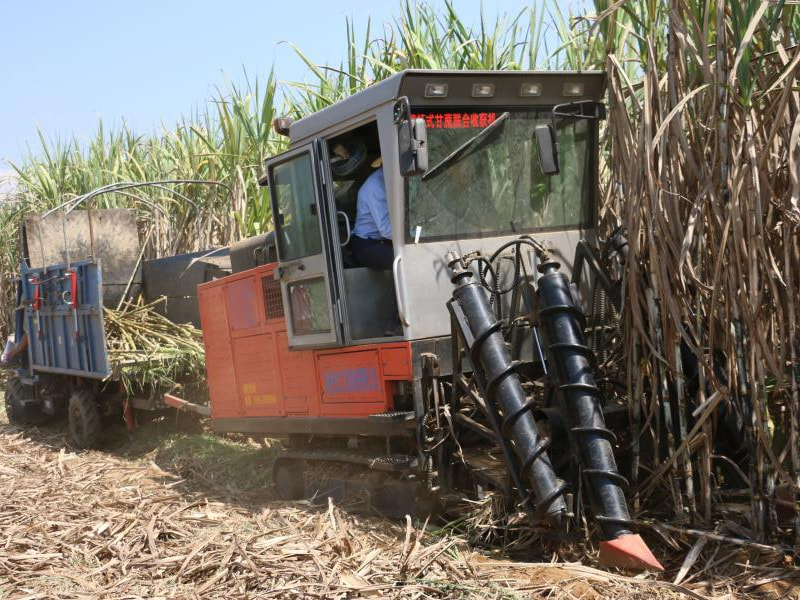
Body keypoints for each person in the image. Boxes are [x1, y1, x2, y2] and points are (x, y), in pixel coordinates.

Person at [349, 158, 393, 270]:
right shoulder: (375, 186)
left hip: (383, 240)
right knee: (404, 259)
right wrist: (413, 236)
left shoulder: (392, 181)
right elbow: (386, 230)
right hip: (366, 243)